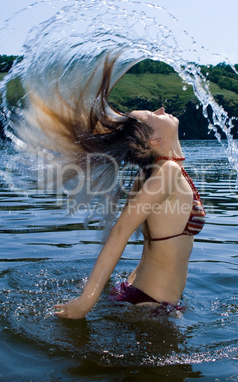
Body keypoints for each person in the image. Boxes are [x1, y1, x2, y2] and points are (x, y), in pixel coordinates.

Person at [54, 107, 206, 319]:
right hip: (153, 304)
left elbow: (120, 231)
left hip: (139, 293)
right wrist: (85, 302)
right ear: (156, 139)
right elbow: (121, 231)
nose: (161, 109)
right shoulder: (168, 171)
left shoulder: (150, 173)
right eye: (154, 115)